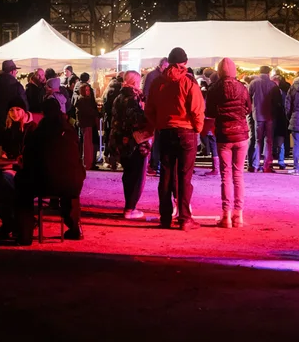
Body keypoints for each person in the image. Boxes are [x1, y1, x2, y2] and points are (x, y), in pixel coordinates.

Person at [146, 46, 205, 231]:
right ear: (185, 63)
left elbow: (149, 110)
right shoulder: (189, 83)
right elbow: (197, 109)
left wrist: (159, 124)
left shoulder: (157, 83)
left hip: (165, 131)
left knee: (165, 175)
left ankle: (164, 217)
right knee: (184, 176)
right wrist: (198, 129)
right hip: (186, 131)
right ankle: (185, 219)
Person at [18, 98, 86, 241]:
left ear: (43, 113)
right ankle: (75, 228)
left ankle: (25, 233)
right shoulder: (70, 130)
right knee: (70, 186)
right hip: (72, 181)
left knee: (21, 185)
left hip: (45, 181)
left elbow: (29, 157)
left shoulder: (39, 132)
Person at [205, 58, 251, 227]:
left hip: (224, 135)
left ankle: (226, 216)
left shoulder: (214, 89)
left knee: (226, 176)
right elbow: (248, 109)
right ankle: (238, 215)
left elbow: (209, 112)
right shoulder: (242, 87)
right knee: (238, 175)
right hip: (241, 134)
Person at [0, 98, 39, 242]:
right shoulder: (5, 128)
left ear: (24, 111)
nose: (14, 113)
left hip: (26, 171)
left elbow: (34, 151)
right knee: (0, 184)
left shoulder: (32, 128)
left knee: (4, 184)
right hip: (8, 167)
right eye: (11, 110)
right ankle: (14, 222)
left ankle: (10, 223)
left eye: (18, 110)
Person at [109, 71, 152, 220]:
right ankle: (130, 208)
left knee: (128, 174)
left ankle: (129, 205)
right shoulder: (134, 98)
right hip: (135, 142)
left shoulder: (118, 98)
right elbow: (138, 120)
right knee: (137, 175)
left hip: (121, 142)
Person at [0, 60, 28, 132]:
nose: (15, 74)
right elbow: (24, 105)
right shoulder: (17, 86)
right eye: (15, 71)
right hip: (14, 122)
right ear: (12, 72)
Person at [248, 66, 277, 173]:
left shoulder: (253, 83)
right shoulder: (273, 84)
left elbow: (248, 98)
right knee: (268, 141)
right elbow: (277, 102)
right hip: (269, 115)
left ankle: (255, 165)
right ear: (268, 73)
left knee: (257, 140)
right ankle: (266, 165)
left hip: (257, 115)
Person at [76, 83, 99, 171]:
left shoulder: (87, 100)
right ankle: (88, 163)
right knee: (87, 145)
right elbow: (89, 111)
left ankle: (90, 162)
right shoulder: (82, 100)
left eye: (89, 90)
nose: (88, 92)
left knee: (90, 144)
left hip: (89, 124)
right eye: (86, 90)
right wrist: (96, 113)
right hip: (86, 124)